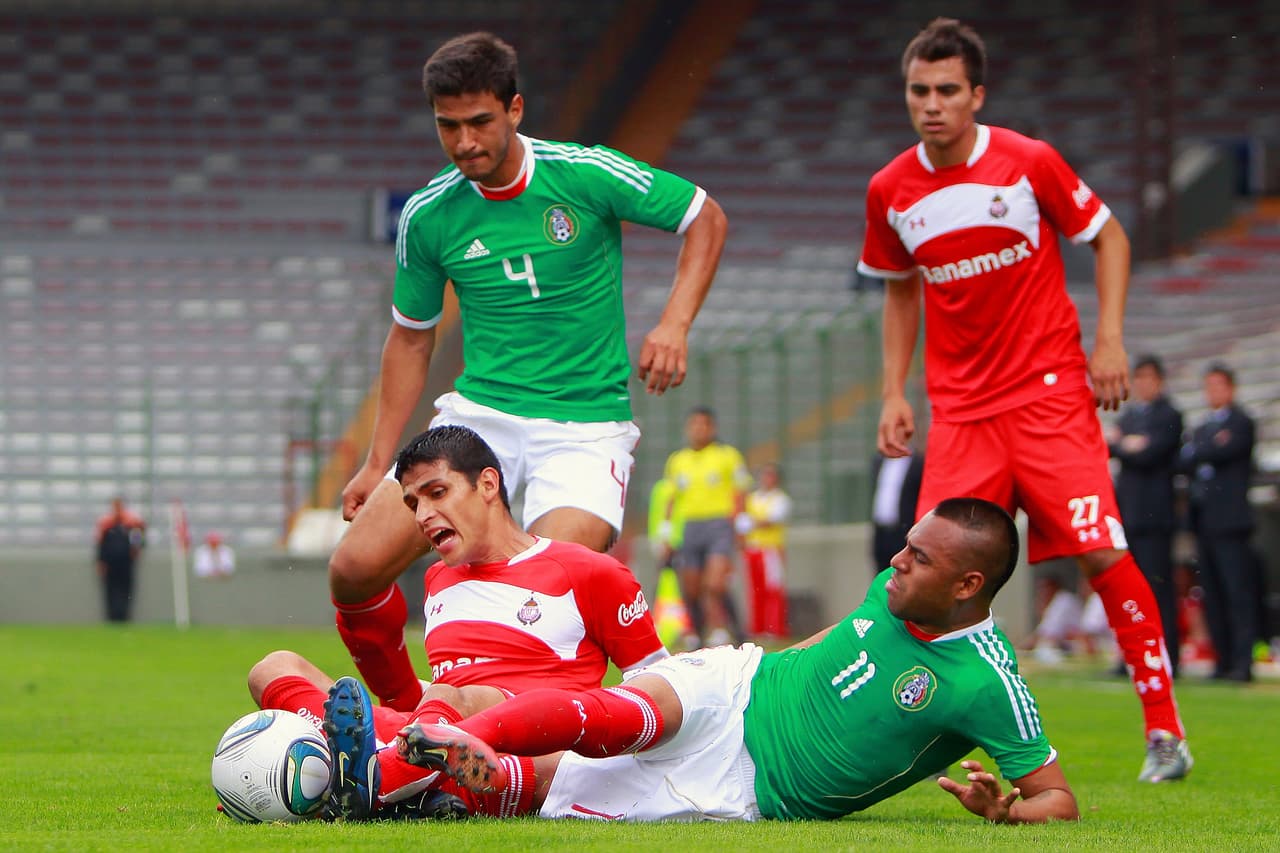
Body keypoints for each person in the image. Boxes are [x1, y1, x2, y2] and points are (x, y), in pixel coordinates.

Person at [327, 32, 727, 713]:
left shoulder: (585, 173)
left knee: (538, 593)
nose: (463, 142)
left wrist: (674, 324)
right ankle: (407, 713)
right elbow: (410, 339)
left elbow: (704, 217)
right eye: (447, 126)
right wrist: (375, 463)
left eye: (479, 121)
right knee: (353, 570)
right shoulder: (430, 215)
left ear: (515, 109)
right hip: (476, 421)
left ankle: (504, 740)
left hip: (584, 430)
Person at [856, 17, 1190, 781]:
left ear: (977, 95)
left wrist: (1109, 340)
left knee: (1104, 552)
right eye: (919, 90)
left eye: (947, 90)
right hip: (963, 411)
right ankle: (892, 726)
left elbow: (1109, 237)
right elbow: (900, 290)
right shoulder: (890, 189)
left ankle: (1165, 731)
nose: (931, 104)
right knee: (929, 574)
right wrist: (891, 390)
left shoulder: (1026, 162)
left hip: (1048, 396)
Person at [328, 498, 1080, 824]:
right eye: (907, 544)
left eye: (917, 556)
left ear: (968, 584)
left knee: (558, 784)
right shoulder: (897, 586)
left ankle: (389, 768)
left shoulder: (986, 682)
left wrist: (1009, 810)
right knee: (626, 714)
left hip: (749, 782)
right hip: (743, 680)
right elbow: (839, 638)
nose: (897, 560)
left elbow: (1059, 799)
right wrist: (764, 659)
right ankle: (431, 748)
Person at [249, 425, 667, 819]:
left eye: (437, 493)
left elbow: (657, 689)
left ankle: (368, 783)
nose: (423, 515)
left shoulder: (589, 571)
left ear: (487, 484)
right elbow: (428, 702)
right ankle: (400, 787)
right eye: (414, 503)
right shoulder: (438, 580)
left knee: (457, 697)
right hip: (433, 738)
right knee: (273, 668)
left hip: (530, 760)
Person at [1107, 354, 1184, 674]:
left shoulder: (1169, 415)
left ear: (1159, 381)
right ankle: (1131, 657)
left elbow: (1150, 452)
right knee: (1128, 591)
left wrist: (1125, 445)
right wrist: (1128, 445)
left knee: (1157, 588)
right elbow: (1113, 445)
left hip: (1155, 517)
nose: (1142, 385)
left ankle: (1167, 656)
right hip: (1129, 516)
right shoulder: (1130, 417)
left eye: (1148, 378)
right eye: (1137, 378)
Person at [1181, 363, 1257, 682]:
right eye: (1208, 386)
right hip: (1206, 522)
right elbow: (1186, 458)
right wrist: (1207, 449)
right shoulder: (1203, 427)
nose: (1213, 392)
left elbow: (1219, 451)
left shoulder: (1241, 422)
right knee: (1212, 593)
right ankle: (1222, 660)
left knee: (1237, 592)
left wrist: (1204, 451)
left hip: (1231, 522)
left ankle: (1242, 662)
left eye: (1218, 386)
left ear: (1231, 389)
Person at [661, 407, 752, 647]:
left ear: (712, 428)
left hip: (718, 525)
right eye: (694, 425)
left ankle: (737, 632)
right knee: (691, 589)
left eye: (704, 425)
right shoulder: (677, 460)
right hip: (690, 528)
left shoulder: (727, 456)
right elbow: (670, 499)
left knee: (715, 584)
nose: (698, 430)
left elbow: (740, 491)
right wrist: (666, 533)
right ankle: (699, 637)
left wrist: (742, 526)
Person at [741, 462, 792, 639]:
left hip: (770, 551)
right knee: (755, 590)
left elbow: (769, 521)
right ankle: (758, 628)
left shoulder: (780, 499)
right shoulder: (753, 498)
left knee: (773, 589)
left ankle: (774, 628)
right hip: (753, 549)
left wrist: (752, 523)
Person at [870, 446, 925, 574]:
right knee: (881, 578)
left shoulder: (918, 463)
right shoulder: (878, 461)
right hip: (881, 532)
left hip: (904, 532)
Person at [94, 497, 146, 622]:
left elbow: (138, 542)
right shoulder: (106, 524)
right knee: (110, 591)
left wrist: (136, 551)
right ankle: (112, 618)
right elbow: (100, 545)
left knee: (126, 591)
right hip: (110, 564)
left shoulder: (131, 524)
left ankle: (124, 617)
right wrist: (101, 562)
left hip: (126, 563)